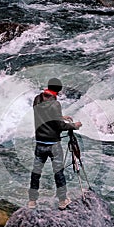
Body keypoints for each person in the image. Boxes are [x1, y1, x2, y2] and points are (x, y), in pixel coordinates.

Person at [28, 78, 82, 210]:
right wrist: (74, 125)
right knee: (58, 172)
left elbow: (44, 114)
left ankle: (32, 201)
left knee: (36, 172)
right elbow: (59, 126)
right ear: (58, 90)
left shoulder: (37, 99)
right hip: (53, 144)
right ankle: (63, 201)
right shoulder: (55, 104)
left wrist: (60, 116)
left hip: (39, 143)